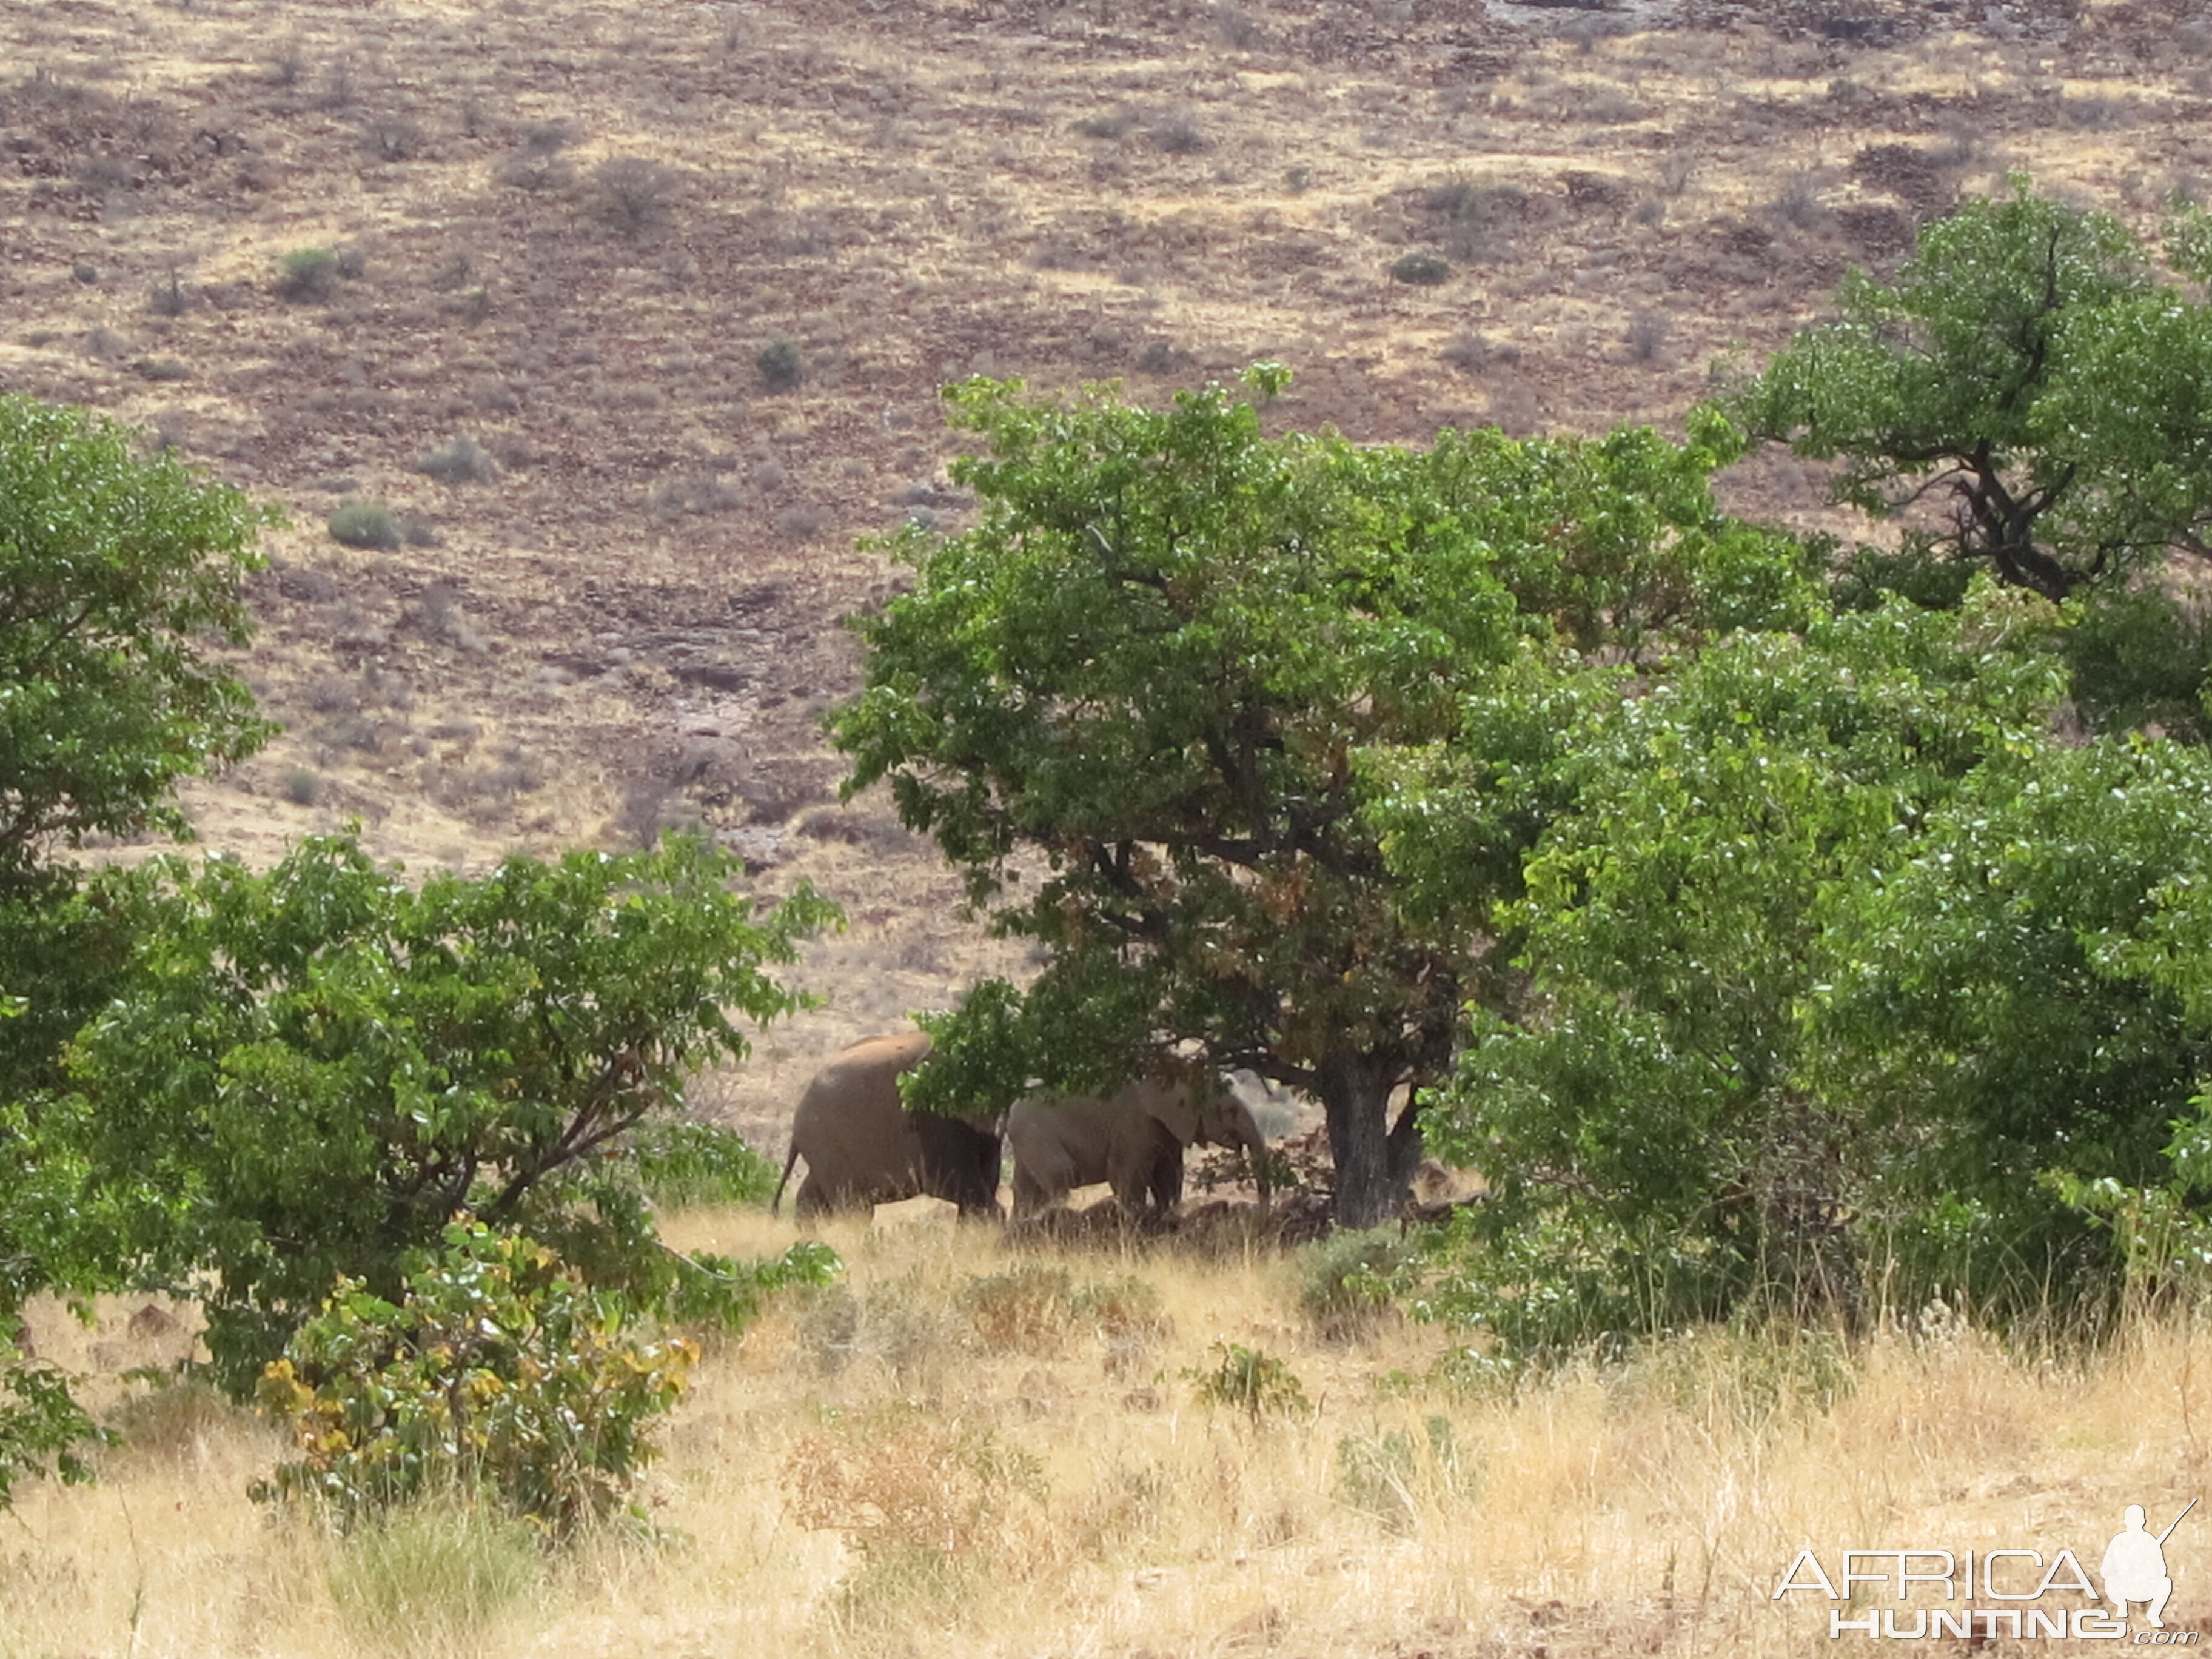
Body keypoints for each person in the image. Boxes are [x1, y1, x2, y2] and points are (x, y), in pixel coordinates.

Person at [2102, 1504, 2174, 1629]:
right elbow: (2106, 1570)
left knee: (2166, 1583)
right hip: (2122, 1588)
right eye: (2132, 1518)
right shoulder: (2118, 1541)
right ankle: (2121, 1605)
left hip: (2144, 1588)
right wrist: (2123, 1568)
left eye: (2137, 1519)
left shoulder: (2150, 1541)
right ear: (2125, 1521)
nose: (2134, 1522)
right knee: (2110, 1581)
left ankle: (2154, 1614)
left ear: (2143, 1521)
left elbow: (2162, 1571)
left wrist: (2146, 1566)